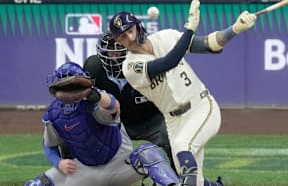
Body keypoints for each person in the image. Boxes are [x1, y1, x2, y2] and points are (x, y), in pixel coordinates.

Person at [109, 0, 256, 186]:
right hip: (173, 121)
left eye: (130, 30)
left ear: (138, 26)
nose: (129, 38)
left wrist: (235, 29)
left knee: (181, 147)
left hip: (201, 106)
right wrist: (189, 29)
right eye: (122, 36)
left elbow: (209, 45)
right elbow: (166, 63)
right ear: (118, 42)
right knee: (193, 181)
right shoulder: (130, 67)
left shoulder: (166, 36)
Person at [24, 62, 181, 186]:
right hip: (84, 172)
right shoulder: (54, 114)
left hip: (120, 166)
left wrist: (94, 95)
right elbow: (49, 145)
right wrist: (59, 162)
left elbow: (113, 106)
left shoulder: (96, 101)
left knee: (148, 153)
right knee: (37, 183)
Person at [83, 32, 175, 170]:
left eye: (118, 53)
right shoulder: (94, 68)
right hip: (116, 124)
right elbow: (85, 102)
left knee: (175, 140)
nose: (113, 58)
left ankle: (180, 177)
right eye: (110, 53)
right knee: (81, 133)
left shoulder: (148, 65)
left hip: (152, 120)